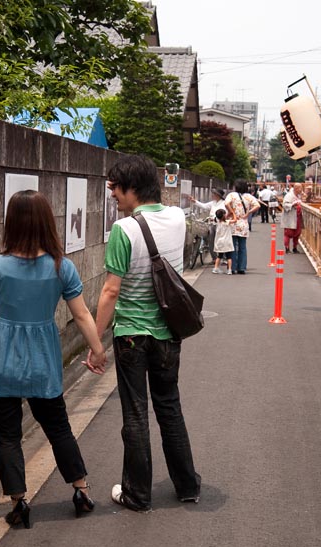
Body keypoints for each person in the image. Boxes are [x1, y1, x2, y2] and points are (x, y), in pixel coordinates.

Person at [0, 190, 107, 529]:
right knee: (58, 429)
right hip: (42, 361)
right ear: (46, 223)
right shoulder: (61, 267)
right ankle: (81, 490)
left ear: (11, 223)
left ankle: (19, 502)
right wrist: (98, 349)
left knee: (7, 436)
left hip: (1, 362)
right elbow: (83, 314)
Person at [91, 155, 201, 512]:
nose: (113, 197)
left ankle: (137, 493)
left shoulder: (124, 231)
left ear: (131, 188)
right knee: (169, 407)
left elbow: (110, 291)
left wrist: (95, 343)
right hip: (169, 332)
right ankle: (187, 485)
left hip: (132, 337)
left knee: (136, 414)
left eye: (115, 189)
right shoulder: (177, 218)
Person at [224, 180, 259, 274]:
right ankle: (242, 267)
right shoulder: (249, 196)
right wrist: (248, 213)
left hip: (233, 223)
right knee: (242, 247)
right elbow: (257, 205)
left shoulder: (231, 195)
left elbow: (226, 203)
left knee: (233, 246)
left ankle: (233, 267)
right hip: (243, 223)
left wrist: (231, 212)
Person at [193, 188, 226, 261]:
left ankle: (223, 257)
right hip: (211, 224)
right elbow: (204, 206)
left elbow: (224, 215)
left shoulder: (224, 203)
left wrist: (215, 218)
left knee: (220, 241)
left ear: (218, 195)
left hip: (220, 225)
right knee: (211, 241)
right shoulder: (213, 203)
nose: (212, 195)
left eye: (214, 194)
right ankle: (214, 258)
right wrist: (195, 201)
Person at [281, 183, 304, 254]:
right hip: (290, 216)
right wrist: (292, 205)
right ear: (296, 188)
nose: (301, 190)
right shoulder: (289, 195)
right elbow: (284, 205)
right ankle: (287, 248)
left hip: (298, 217)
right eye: (300, 188)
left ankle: (295, 247)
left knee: (297, 233)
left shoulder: (299, 196)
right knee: (288, 233)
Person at [212, 208, 233, 274]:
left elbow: (216, 218)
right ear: (224, 215)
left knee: (219, 256)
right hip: (227, 242)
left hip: (219, 242)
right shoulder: (227, 222)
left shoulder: (217, 221)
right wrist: (233, 213)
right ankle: (229, 270)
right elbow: (235, 220)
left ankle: (215, 268)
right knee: (229, 257)